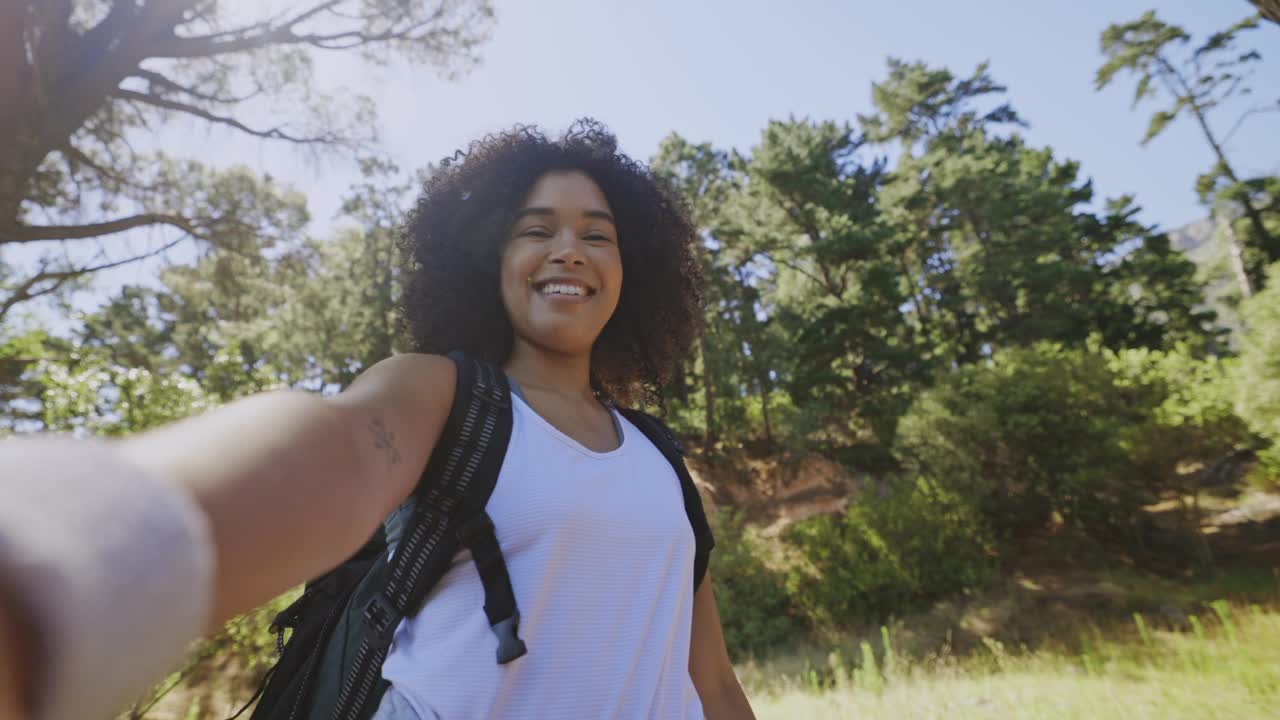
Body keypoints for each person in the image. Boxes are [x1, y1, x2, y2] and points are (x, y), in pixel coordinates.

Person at [0, 119, 755, 720]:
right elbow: (329, 455)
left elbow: (713, 686)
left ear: (633, 270)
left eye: (598, 234)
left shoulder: (658, 456)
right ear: (490, 266)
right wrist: (62, 557)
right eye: (535, 230)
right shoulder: (440, 394)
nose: (569, 250)